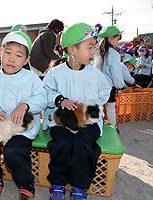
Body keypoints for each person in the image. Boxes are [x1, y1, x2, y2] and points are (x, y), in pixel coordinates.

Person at [0, 31, 47, 200]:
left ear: (26, 60)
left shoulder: (31, 78)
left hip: (21, 128)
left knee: (13, 151)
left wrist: (25, 105)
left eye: (18, 55)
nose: (11, 59)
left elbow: (42, 99)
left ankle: (26, 184)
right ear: (1, 53)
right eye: (8, 53)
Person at [43, 23, 111, 200]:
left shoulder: (94, 74)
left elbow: (106, 91)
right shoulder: (55, 73)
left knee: (83, 144)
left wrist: (92, 108)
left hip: (89, 119)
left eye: (94, 47)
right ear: (72, 50)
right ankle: (57, 185)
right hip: (63, 120)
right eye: (89, 47)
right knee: (62, 144)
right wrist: (60, 100)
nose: (93, 52)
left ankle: (79, 187)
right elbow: (45, 91)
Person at [94, 25, 125, 127]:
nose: (118, 42)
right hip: (108, 86)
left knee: (96, 106)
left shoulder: (96, 52)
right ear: (111, 38)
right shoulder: (114, 54)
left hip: (95, 84)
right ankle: (113, 128)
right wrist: (120, 86)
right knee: (110, 107)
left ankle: (96, 126)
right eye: (117, 39)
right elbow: (116, 73)